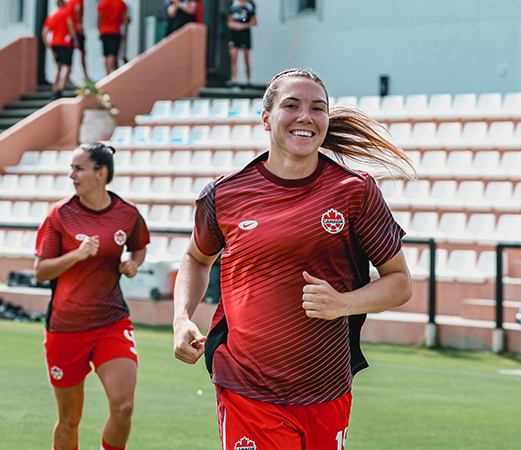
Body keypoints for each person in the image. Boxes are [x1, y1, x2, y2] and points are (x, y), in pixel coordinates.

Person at [173, 68, 414, 449]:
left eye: (318, 108)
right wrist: (182, 318)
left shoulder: (356, 191)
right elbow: (196, 258)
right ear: (266, 118)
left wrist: (343, 304)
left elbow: (400, 282)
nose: (306, 116)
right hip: (246, 386)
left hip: (327, 387)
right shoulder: (225, 193)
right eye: (292, 105)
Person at [34, 142, 150, 450]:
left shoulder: (127, 214)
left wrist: (132, 264)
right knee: (70, 419)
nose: (71, 174)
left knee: (123, 407)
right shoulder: (59, 215)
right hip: (65, 328)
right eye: (72, 168)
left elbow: (139, 247)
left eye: (79, 168)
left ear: (101, 173)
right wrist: (76, 255)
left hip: (112, 322)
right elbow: (41, 271)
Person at [42, 0, 78, 100]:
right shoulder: (66, 13)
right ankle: (60, 89)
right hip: (65, 43)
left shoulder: (51, 16)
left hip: (54, 44)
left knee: (58, 67)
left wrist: (48, 47)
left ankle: (54, 89)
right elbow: (70, 26)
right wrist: (75, 39)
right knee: (67, 67)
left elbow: (44, 33)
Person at [227, 0, 257, 87]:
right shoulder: (234, 7)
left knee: (246, 58)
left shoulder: (248, 7)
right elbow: (229, 22)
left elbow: (254, 21)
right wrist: (234, 25)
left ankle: (248, 81)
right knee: (233, 58)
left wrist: (243, 26)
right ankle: (235, 81)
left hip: (244, 34)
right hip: (234, 35)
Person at [97, 0, 129, 75]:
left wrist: (100, 30)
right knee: (112, 54)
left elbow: (99, 19)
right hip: (115, 31)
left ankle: (107, 73)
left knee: (106, 55)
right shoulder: (121, 4)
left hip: (104, 31)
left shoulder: (102, 3)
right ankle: (108, 75)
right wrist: (125, 33)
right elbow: (125, 20)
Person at [66, 0, 89, 80]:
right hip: (76, 30)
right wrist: (80, 23)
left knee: (70, 54)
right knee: (82, 52)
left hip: (69, 31)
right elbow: (78, 9)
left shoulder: (69, 2)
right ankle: (85, 75)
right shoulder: (79, 1)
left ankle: (67, 77)